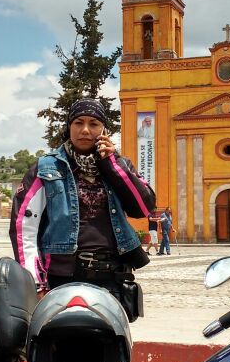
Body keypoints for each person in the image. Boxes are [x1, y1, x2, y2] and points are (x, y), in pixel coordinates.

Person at [10, 98, 155, 320]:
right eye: (78, 122)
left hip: (112, 280)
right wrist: (37, 284)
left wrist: (111, 164)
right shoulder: (46, 167)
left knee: (110, 340)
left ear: (104, 130)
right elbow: (23, 228)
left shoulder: (118, 165)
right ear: (69, 127)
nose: (85, 130)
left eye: (94, 124)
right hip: (60, 280)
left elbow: (143, 207)